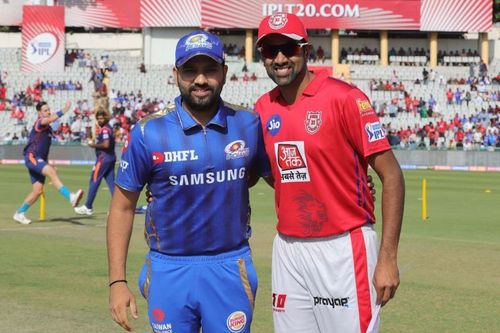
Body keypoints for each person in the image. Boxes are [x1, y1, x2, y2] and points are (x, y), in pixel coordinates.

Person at [106, 30, 271, 332]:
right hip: (169, 269)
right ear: (175, 74)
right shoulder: (148, 132)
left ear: (224, 72)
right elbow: (122, 208)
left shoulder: (248, 124)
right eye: (190, 71)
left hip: (230, 267)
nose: (200, 80)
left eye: (210, 69)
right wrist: (117, 281)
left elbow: (279, 179)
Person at [255, 12, 404, 333]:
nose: (279, 58)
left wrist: (388, 258)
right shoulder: (263, 108)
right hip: (288, 251)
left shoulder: (345, 98)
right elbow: (274, 172)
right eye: (270, 51)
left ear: (306, 51)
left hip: (343, 248)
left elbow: (391, 175)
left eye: (288, 48)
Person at [13, 101, 84, 225]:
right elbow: (50, 119)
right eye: (45, 110)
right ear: (39, 113)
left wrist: (47, 163)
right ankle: (71, 197)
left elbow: (44, 148)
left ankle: (19, 213)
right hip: (32, 157)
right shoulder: (40, 122)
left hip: (39, 159)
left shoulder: (49, 129)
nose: (48, 112)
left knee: (37, 190)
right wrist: (64, 110)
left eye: (48, 109)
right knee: (50, 173)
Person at [74, 108, 116, 215]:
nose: (100, 120)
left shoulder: (105, 129)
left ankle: (88, 206)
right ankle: (118, 207)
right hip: (110, 158)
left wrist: (93, 145)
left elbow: (106, 144)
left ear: (106, 118)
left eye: (102, 118)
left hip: (103, 159)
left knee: (94, 180)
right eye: (98, 118)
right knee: (112, 184)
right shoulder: (108, 128)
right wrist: (89, 133)